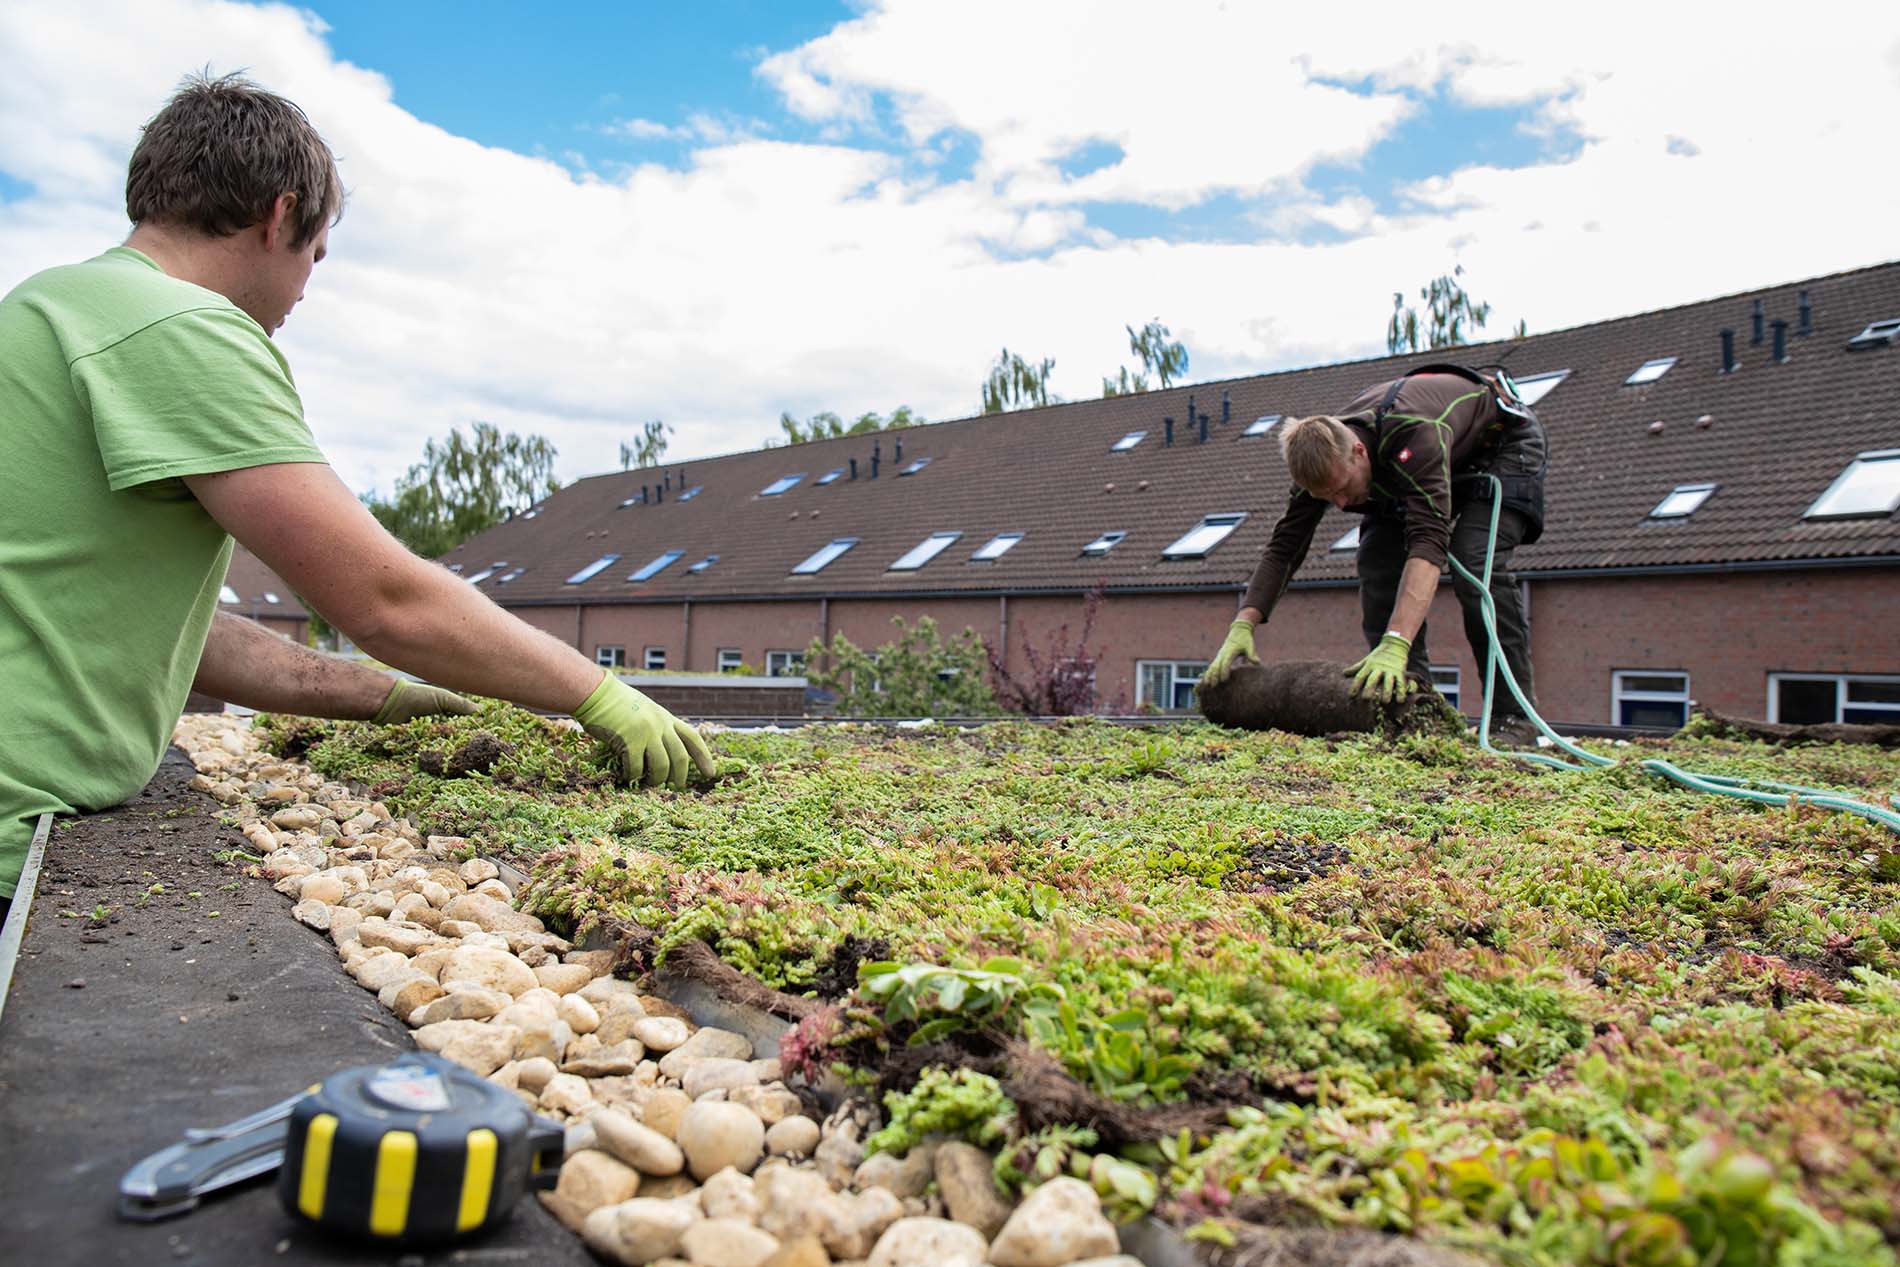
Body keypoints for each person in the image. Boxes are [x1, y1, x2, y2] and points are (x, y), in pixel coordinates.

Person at [0, 73, 712, 926]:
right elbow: (382, 598)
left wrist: (378, 695)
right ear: (279, 216)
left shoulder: (48, 306)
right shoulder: (181, 328)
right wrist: (596, 693)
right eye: (316, 251)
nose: (309, 281)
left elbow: (153, 630)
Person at [1200, 367, 1548, 743]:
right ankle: (1411, 707)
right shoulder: (1321, 466)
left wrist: (1396, 639)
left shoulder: (1414, 433)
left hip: (1501, 448)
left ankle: (1515, 718)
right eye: (1326, 498)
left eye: (1342, 488)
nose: (1342, 503)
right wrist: (1243, 624)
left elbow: (1429, 542)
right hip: (1408, 470)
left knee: (1475, 564)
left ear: (1358, 451)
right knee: (1378, 563)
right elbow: (1285, 546)